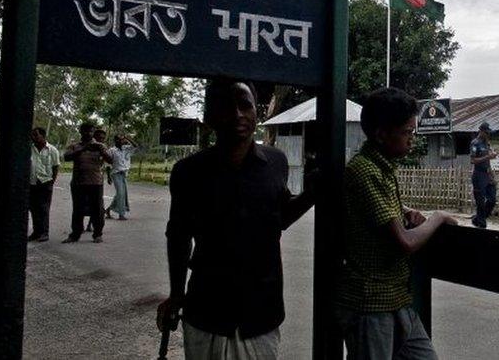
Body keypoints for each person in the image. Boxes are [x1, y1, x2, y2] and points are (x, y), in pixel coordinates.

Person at [156, 79, 316, 359]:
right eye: (226, 107)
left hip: (262, 312)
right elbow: (179, 237)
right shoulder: (189, 172)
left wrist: (311, 195)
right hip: (208, 310)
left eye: (245, 105)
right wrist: (176, 294)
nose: (238, 114)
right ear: (209, 117)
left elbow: (278, 218)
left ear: (257, 111)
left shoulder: (276, 162)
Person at [336, 87, 458, 359]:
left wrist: (404, 211)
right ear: (381, 134)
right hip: (371, 302)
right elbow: (404, 242)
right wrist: (437, 218)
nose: (411, 140)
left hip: (397, 298)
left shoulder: (381, 168)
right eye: (407, 132)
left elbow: (377, 212)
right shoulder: (365, 171)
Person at [63, 122, 112, 243]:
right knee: (78, 209)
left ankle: (97, 234)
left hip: (95, 182)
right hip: (78, 182)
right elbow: (66, 157)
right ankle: (75, 234)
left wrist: (102, 150)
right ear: (81, 132)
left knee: (97, 209)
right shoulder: (75, 145)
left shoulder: (100, 146)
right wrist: (82, 149)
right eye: (86, 131)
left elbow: (111, 160)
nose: (89, 134)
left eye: (91, 131)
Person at [29, 127, 60, 242]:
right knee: (33, 209)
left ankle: (44, 233)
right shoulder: (30, 149)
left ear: (43, 136)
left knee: (43, 209)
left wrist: (51, 182)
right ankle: (36, 232)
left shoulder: (52, 150)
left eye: (36, 135)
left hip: (45, 183)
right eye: (33, 135)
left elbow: (56, 166)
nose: (33, 138)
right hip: (31, 183)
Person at [469, 122, 498, 228]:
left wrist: (491, 175)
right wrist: (488, 157)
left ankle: (478, 218)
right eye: (486, 133)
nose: (488, 134)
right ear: (481, 131)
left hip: (487, 174)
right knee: (480, 202)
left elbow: (488, 162)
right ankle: (481, 224)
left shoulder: (487, 144)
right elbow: (473, 160)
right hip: (478, 175)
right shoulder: (475, 143)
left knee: (492, 199)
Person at [105, 134, 138, 220]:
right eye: (119, 140)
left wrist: (127, 137)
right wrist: (108, 177)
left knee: (122, 193)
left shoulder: (126, 148)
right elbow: (107, 165)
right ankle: (121, 214)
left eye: (122, 140)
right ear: (115, 141)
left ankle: (108, 210)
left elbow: (135, 146)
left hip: (124, 173)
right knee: (120, 193)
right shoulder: (111, 151)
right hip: (116, 173)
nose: (121, 141)